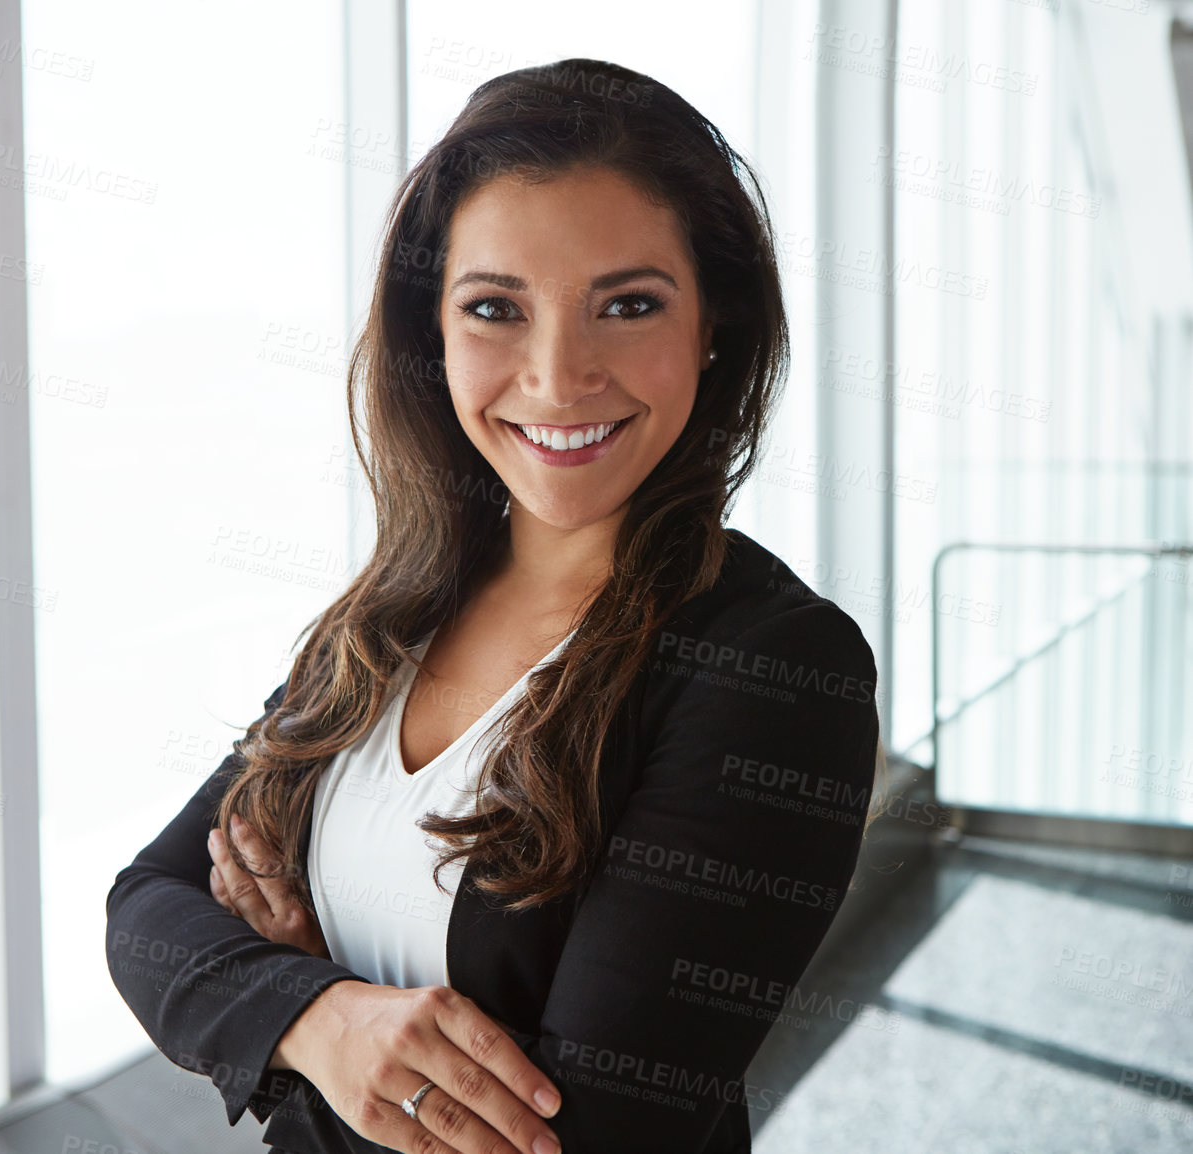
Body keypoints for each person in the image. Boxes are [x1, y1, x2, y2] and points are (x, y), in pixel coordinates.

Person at [105, 57, 883, 1154]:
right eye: (494, 308)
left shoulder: (778, 669)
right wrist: (324, 1016)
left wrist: (289, 1006)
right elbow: (147, 908)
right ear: (435, 331)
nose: (559, 377)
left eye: (628, 303)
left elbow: (580, 1133)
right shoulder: (394, 611)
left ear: (715, 324)